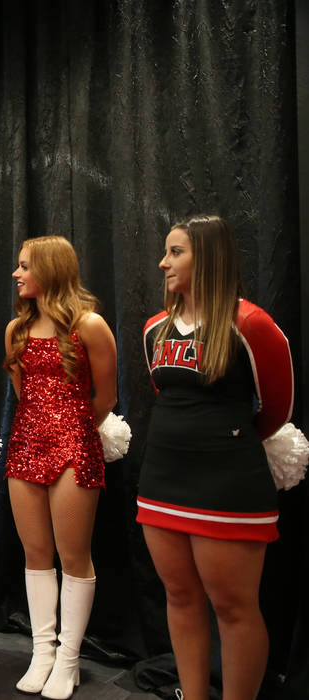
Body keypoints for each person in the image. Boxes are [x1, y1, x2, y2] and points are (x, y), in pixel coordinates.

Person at [138, 215, 293, 700]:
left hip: (227, 483)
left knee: (233, 607)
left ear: (208, 257)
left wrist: (224, 444)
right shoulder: (154, 329)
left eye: (176, 252)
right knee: (180, 597)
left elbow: (277, 409)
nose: (163, 262)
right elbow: (162, 392)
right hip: (163, 479)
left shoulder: (251, 324)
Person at [4, 236, 117, 699]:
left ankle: (68, 659)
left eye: (24, 265)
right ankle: (42, 652)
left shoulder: (90, 326)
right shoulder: (16, 330)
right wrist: (39, 430)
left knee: (73, 556)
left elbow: (106, 397)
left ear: (50, 269)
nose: (16, 273)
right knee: (35, 554)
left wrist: (72, 431)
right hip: (26, 442)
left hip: (74, 442)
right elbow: (20, 392)